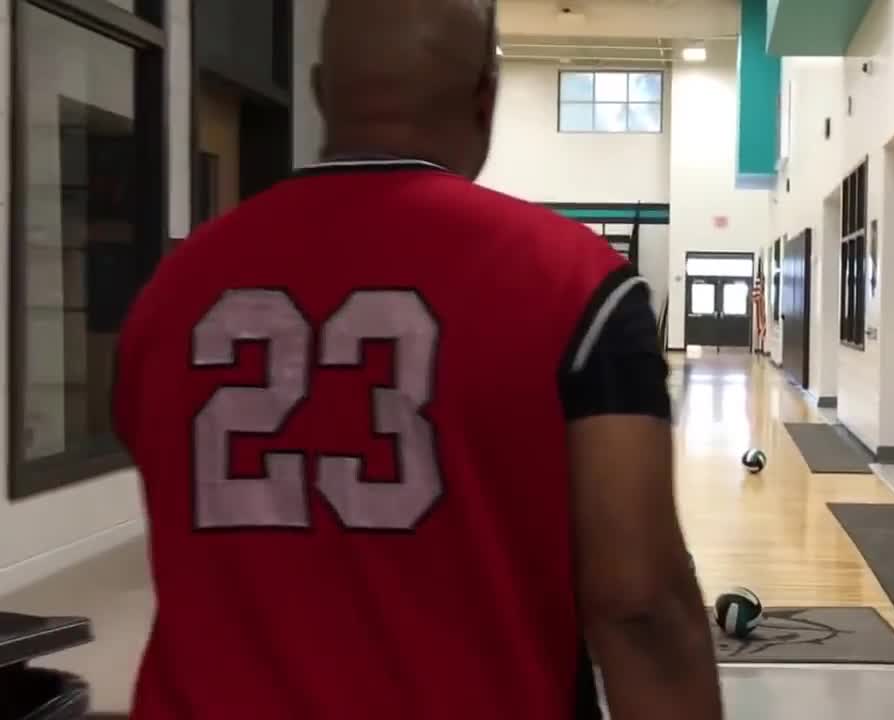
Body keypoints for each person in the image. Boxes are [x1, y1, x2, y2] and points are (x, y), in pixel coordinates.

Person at [110, 0, 722, 717]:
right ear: (485, 100)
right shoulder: (574, 283)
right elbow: (639, 602)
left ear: (317, 93)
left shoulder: (171, 290)